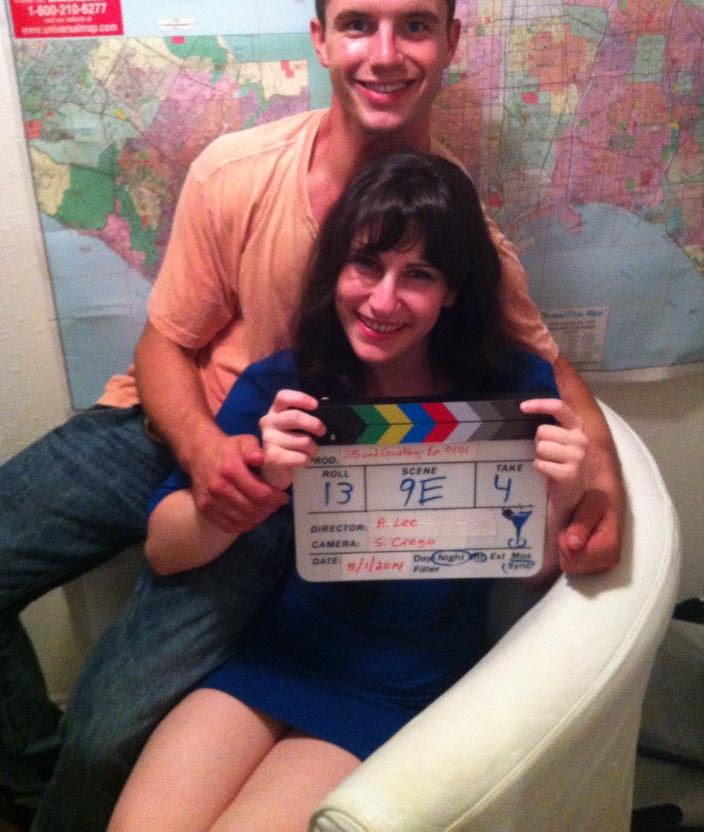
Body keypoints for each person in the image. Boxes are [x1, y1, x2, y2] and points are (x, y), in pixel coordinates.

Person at [0, 0, 622, 832]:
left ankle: (66, 787)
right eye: (358, 24)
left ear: (451, 42)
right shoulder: (236, 172)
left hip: (301, 488)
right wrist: (208, 454)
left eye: (415, 25)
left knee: (106, 732)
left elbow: (549, 376)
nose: (385, 53)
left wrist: (597, 493)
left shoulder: (462, 235)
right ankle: (23, 782)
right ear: (320, 36)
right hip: (183, 427)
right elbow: (163, 343)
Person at [107, 152, 588, 832]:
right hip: (274, 655)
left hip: (400, 679)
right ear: (336, 268)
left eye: (418, 275)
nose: (382, 301)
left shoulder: (513, 389)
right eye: (366, 265)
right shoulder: (285, 386)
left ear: (452, 290)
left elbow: (528, 571)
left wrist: (563, 495)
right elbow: (165, 548)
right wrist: (260, 484)